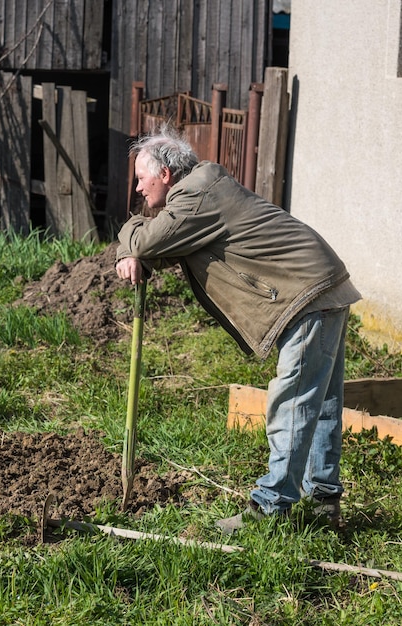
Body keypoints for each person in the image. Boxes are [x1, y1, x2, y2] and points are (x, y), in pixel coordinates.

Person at [115, 125, 361, 533]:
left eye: (141, 178)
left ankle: (271, 507)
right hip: (322, 285)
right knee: (321, 405)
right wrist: (135, 247)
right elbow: (162, 243)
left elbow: (145, 241)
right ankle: (323, 505)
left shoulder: (195, 197)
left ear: (165, 175)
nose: (138, 188)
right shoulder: (201, 190)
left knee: (295, 400)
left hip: (305, 293)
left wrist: (128, 246)